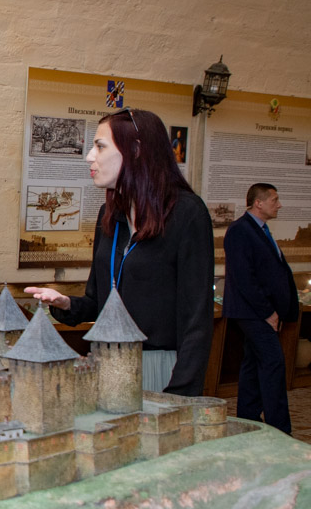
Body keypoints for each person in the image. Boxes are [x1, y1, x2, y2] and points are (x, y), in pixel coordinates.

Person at [26, 108, 213, 396]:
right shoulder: (110, 214)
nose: (89, 156)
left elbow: (196, 320)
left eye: (100, 147)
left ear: (135, 150)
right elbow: (98, 302)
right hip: (105, 363)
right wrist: (66, 304)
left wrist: (180, 396)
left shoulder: (187, 213)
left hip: (157, 371)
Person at [223, 183, 298, 433]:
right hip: (253, 312)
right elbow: (244, 278)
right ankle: (280, 430)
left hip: (259, 311)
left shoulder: (260, 230)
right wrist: (268, 312)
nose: (279, 205)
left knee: (253, 365)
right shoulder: (240, 230)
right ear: (258, 203)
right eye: (274, 200)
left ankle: (249, 421)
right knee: (273, 363)